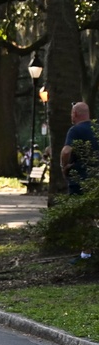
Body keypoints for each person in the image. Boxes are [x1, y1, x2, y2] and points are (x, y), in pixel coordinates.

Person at [60, 101, 99, 261]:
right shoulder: (96, 129)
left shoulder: (75, 130)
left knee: (82, 216)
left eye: (71, 113)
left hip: (80, 179)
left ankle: (87, 253)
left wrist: (64, 166)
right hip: (96, 178)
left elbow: (66, 150)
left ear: (75, 114)